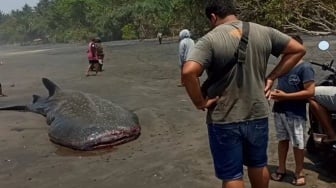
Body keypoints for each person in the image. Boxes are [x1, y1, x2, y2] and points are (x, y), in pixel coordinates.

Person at [181, 0, 306, 188]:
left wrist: (199, 102)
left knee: (232, 175)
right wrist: (272, 77)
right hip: (257, 113)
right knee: (258, 165)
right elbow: (298, 49)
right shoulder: (264, 31)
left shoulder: (210, 39)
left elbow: (188, 72)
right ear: (233, 12)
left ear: (213, 17)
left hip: (224, 117)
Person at [270, 35, 315, 186]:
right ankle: (281, 169)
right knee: (282, 140)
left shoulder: (305, 68)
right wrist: (275, 94)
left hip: (295, 113)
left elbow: (310, 92)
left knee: (298, 143)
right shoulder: (281, 69)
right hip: (280, 110)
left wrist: (286, 96)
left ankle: (299, 171)